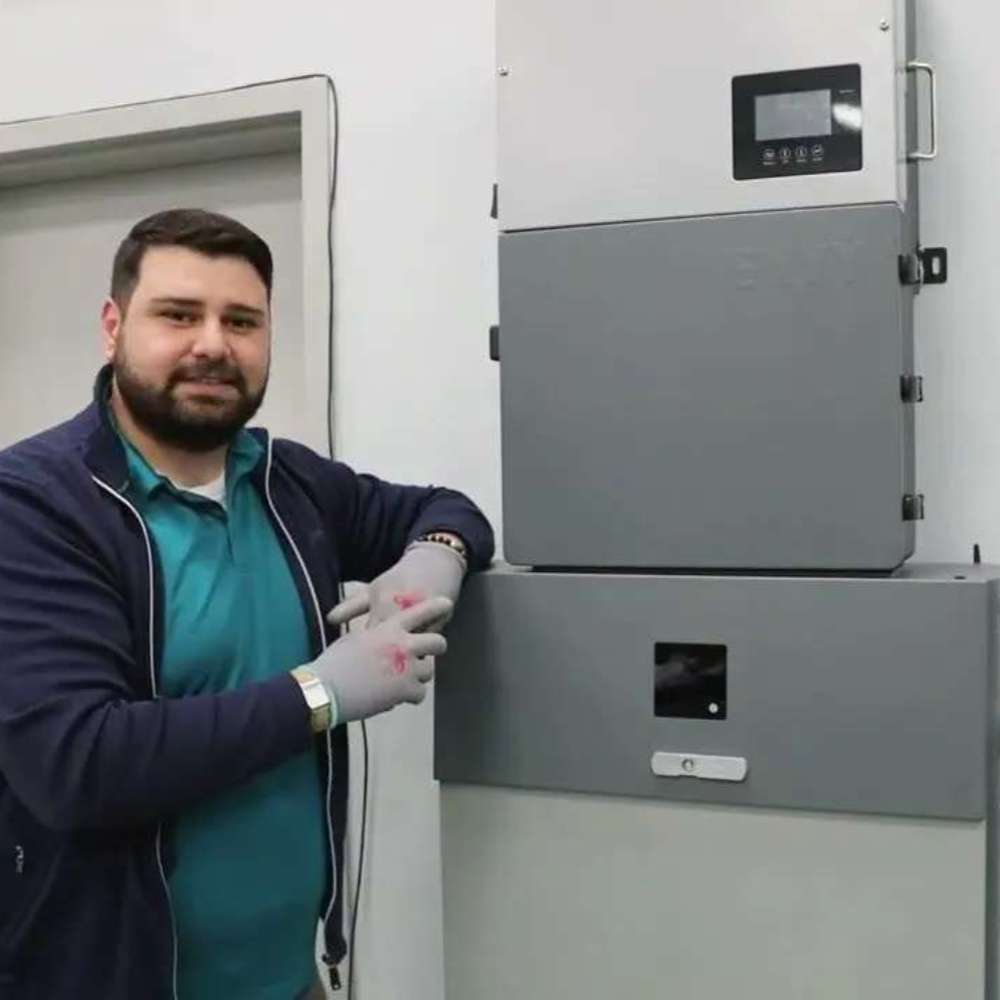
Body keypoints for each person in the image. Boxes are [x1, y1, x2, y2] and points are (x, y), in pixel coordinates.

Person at [0, 208, 494, 1000]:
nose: (212, 344)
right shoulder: (36, 504)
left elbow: (448, 508)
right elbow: (77, 763)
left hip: (289, 979)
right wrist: (322, 693)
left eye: (241, 321)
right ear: (113, 327)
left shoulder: (286, 481)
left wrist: (434, 562)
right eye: (178, 315)